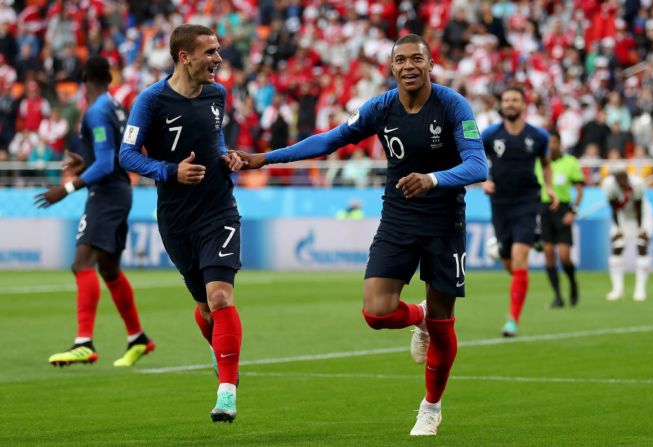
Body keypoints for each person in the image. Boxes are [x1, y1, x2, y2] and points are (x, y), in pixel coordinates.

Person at [234, 34, 488, 437]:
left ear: (430, 64)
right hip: (398, 220)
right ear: (391, 67)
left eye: (416, 59)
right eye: (401, 59)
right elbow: (329, 141)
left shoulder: (453, 106)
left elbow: (478, 165)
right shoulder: (381, 107)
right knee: (376, 313)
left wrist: (433, 179)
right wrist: (264, 158)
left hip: (444, 224)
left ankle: (431, 407)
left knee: (445, 322)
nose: (408, 66)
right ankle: (417, 317)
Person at [118, 24, 245, 424]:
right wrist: (170, 171)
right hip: (176, 218)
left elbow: (215, 140)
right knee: (205, 306)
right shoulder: (151, 100)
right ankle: (218, 350)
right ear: (184, 57)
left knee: (221, 297)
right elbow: (126, 154)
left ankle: (227, 392)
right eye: (209, 52)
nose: (218, 59)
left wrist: (228, 158)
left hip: (219, 208)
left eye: (218, 51)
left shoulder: (217, 95)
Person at [34, 56, 155, 368]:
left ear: (84, 78)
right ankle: (138, 338)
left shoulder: (97, 110)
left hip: (106, 196)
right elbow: (113, 157)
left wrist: (68, 187)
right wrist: (85, 165)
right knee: (110, 270)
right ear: (109, 79)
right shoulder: (114, 106)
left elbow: (105, 163)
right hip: (119, 191)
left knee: (81, 263)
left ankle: (83, 342)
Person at [481, 86, 558, 337]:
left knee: (519, 258)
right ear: (501, 105)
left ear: (524, 105)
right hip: (500, 203)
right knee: (509, 263)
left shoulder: (538, 136)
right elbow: (475, 159)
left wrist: (549, 188)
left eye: (515, 99)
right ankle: (511, 252)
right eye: (506, 99)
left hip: (527, 201)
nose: (510, 103)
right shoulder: (491, 134)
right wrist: (484, 181)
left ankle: (512, 320)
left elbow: (546, 165)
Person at [535, 131, 584, 308]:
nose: (551, 147)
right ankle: (557, 296)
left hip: (563, 210)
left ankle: (572, 282)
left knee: (564, 256)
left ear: (560, 144)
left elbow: (580, 190)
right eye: (549, 144)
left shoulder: (570, 163)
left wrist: (573, 211)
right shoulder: (540, 163)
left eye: (554, 143)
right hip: (545, 209)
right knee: (549, 255)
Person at [602, 165, 653, 301]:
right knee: (617, 246)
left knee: (641, 245)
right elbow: (613, 208)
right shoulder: (608, 185)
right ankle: (617, 289)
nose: (622, 180)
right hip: (622, 216)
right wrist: (618, 229)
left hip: (642, 215)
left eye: (623, 176)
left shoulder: (637, 184)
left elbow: (639, 207)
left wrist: (641, 229)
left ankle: (640, 290)